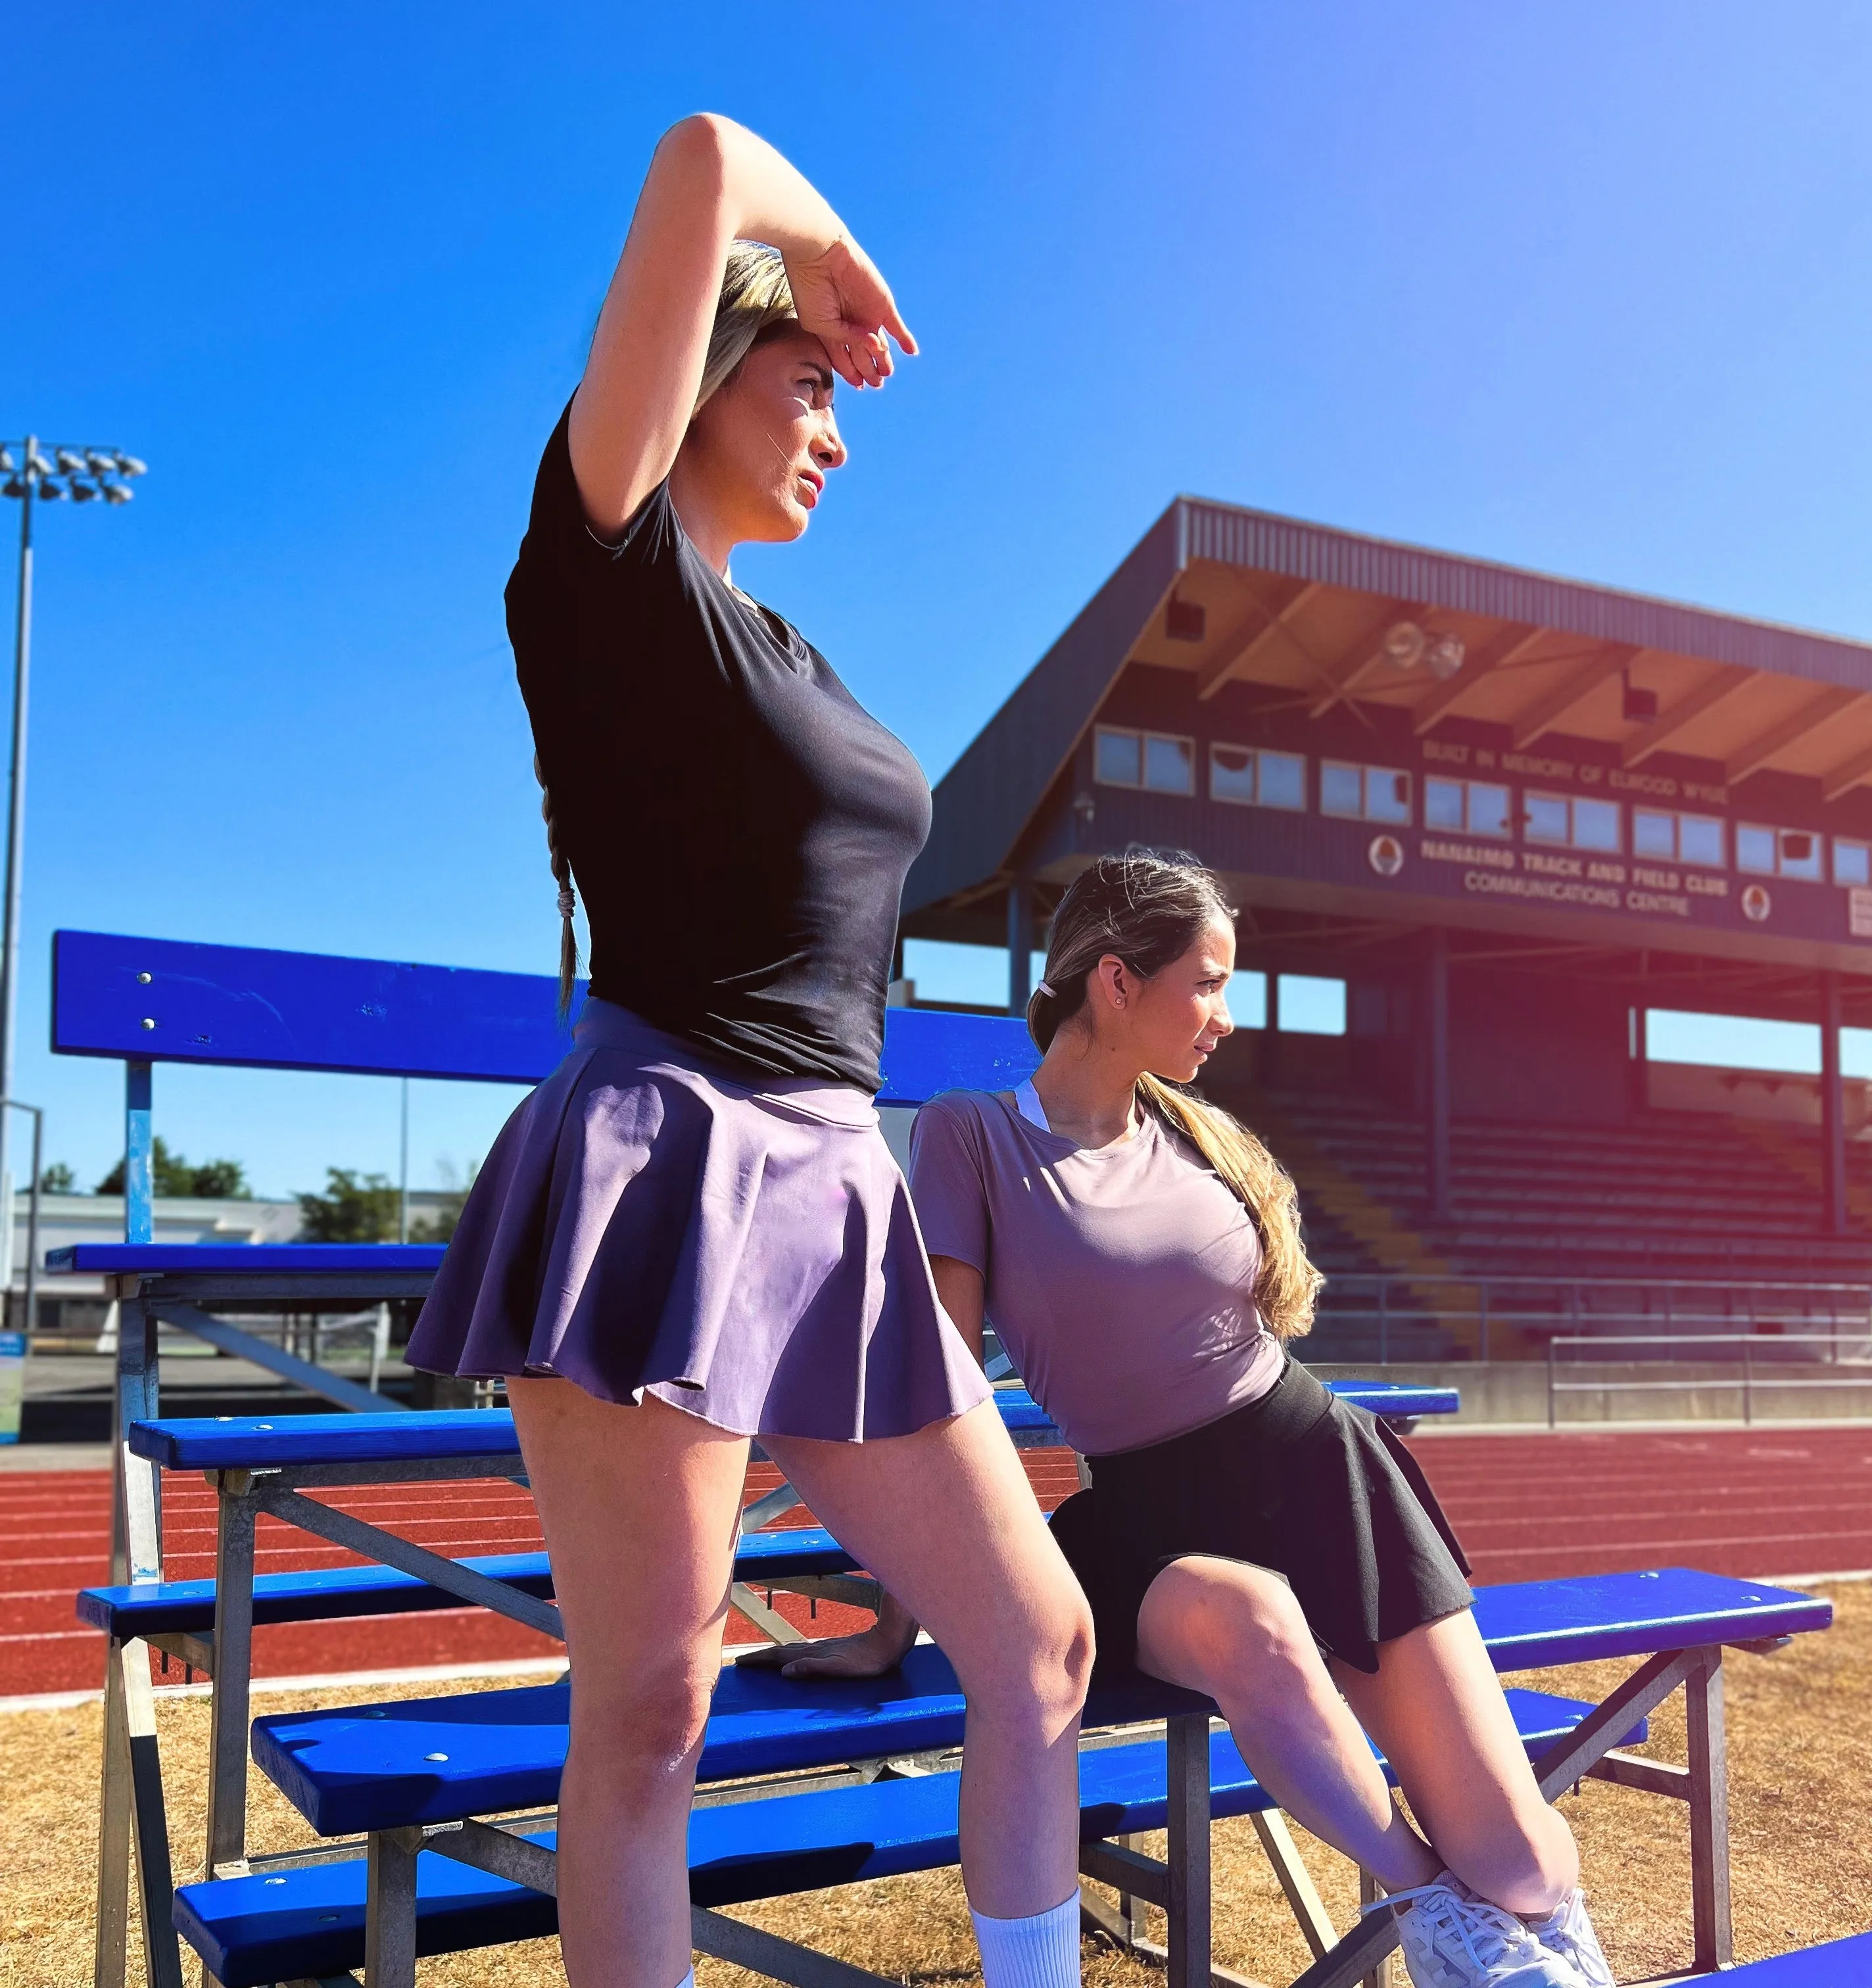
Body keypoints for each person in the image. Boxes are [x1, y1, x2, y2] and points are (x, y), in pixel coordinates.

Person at [405, 114, 1093, 1988]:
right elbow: (706, 155)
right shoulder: (603, 573)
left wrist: (814, 303)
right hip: (669, 1161)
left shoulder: (786, 640)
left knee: (1038, 1641)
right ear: (703, 379)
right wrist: (836, 259)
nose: (838, 429)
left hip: (833, 1174)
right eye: (804, 384)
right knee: (649, 1716)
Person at [753, 852, 1616, 1988]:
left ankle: (1517, 1931)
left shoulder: (1202, 1135)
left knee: (1526, 1867)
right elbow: (941, 1391)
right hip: (1148, 1520)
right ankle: (1430, 1908)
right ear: (1115, 981)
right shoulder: (974, 1136)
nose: (1224, 1017)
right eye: (1206, 983)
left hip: (1318, 1467)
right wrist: (899, 1624)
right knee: (1251, 1622)